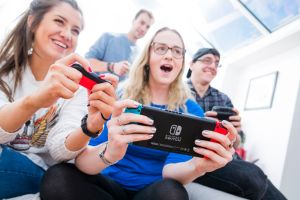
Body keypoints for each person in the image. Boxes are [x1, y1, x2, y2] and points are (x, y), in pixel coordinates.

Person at [40, 27, 237, 200]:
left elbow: (171, 173)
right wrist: (110, 151)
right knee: (57, 178)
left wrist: (198, 166)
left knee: (172, 193)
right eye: (161, 48)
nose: (169, 55)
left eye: (177, 51)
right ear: (147, 57)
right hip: (107, 183)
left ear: (181, 63)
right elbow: (83, 162)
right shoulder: (118, 97)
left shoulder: (191, 110)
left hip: (153, 191)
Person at [0, 0, 117, 199]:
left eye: (76, 30)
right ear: (33, 22)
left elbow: (59, 151)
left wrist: (88, 127)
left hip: (44, 175)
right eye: (59, 21)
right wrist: (35, 101)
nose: (67, 34)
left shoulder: (77, 88)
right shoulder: (5, 70)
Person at [187, 48, 287, 200]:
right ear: (192, 64)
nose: (213, 66)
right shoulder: (176, 92)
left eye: (216, 63)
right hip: (195, 157)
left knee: (259, 178)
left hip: (228, 158)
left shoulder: (222, 98)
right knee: (252, 176)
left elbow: (239, 142)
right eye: (207, 60)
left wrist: (235, 131)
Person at [85, 9, 154, 82]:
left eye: (147, 27)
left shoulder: (140, 55)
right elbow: (86, 62)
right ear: (134, 21)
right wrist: (112, 66)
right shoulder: (108, 37)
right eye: (142, 23)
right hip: (94, 90)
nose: (143, 29)